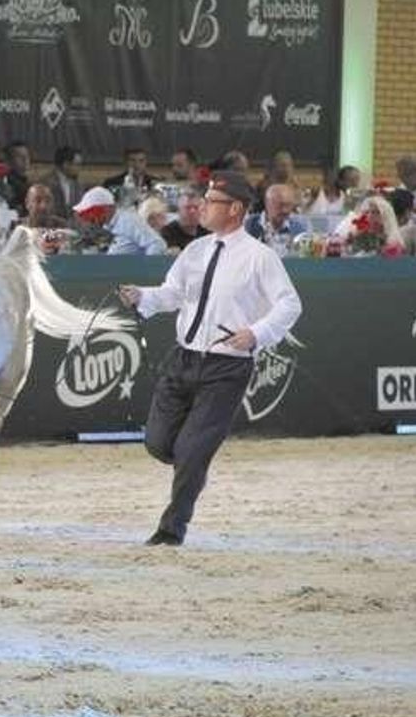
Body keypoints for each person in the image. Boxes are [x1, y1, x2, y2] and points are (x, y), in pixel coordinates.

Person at [118, 170, 302, 546]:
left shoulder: (259, 257)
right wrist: (144, 297)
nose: (200, 207)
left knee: (190, 450)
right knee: (157, 443)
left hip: (226, 367)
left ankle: (172, 529)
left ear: (234, 209)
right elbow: (172, 294)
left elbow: (290, 304)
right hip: (183, 358)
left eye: (210, 202)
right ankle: (193, 466)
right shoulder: (195, 250)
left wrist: (256, 334)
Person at [72, 187, 165, 255]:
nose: (92, 219)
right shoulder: (107, 226)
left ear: (107, 208)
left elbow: (157, 244)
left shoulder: (128, 221)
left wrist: (146, 272)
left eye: (94, 212)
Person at [244, 184, 308, 256]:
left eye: (289, 205)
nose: (285, 210)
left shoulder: (300, 226)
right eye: (280, 205)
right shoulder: (249, 225)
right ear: (267, 203)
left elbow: (306, 257)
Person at [160, 186, 210, 251]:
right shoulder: (167, 233)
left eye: (196, 207)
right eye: (187, 208)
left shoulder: (207, 231)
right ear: (178, 210)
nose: (192, 211)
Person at [41, 145, 84, 220]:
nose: (80, 168)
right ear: (66, 164)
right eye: (77, 164)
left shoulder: (78, 185)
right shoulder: (46, 183)